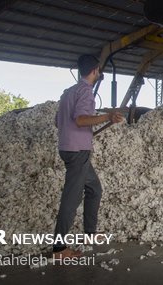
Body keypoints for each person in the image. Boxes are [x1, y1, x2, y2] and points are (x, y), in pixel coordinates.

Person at [53, 55, 125, 258]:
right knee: (72, 198)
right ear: (95, 70)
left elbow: (58, 122)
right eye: (99, 71)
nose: (99, 74)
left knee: (94, 189)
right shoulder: (85, 92)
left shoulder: (68, 92)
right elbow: (81, 120)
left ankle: (90, 234)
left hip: (69, 148)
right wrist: (108, 116)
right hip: (77, 152)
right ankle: (59, 248)